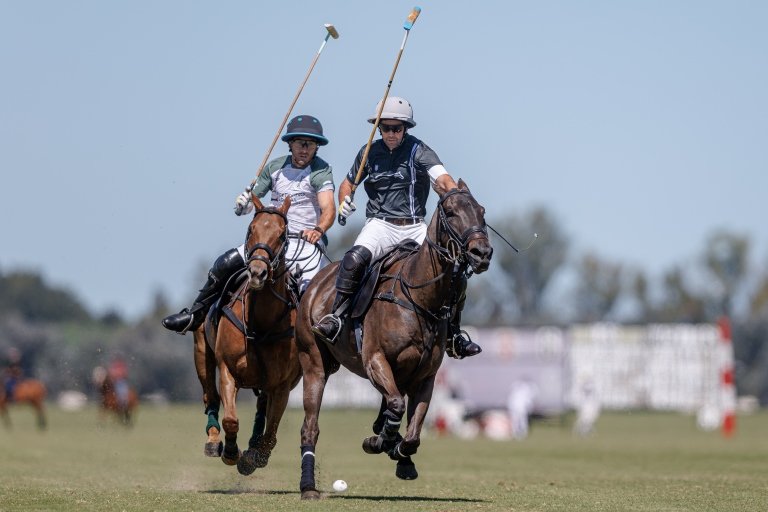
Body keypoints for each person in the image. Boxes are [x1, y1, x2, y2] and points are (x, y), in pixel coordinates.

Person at [311, 97, 481, 359]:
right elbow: (348, 184)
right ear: (378, 128)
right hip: (380, 224)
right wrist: (344, 201)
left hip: (414, 226)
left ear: (406, 128)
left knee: (455, 269)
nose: (391, 134)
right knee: (353, 260)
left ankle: (454, 334)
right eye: (385, 128)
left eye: (397, 128)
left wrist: (455, 195)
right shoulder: (369, 152)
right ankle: (337, 317)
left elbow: (443, 178)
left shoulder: (419, 151)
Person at [163, 115, 336, 334]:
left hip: (305, 243)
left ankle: (317, 338)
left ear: (317, 147)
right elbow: (254, 198)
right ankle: (195, 315)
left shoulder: (320, 171)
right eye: (300, 143)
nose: (304, 149)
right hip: (271, 240)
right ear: (290, 144)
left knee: (313, 290)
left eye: (310, 144)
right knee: (223, 264)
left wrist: (318, 230)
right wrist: (243, 205)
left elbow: (329, 209)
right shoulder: (275, 167)